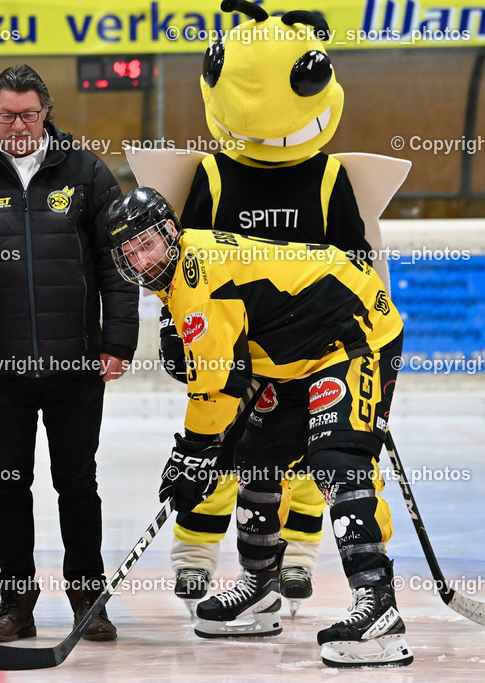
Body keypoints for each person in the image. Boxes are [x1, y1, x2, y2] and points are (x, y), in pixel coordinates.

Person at [148, 1, 394, 616]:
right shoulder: (214, 174)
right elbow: (185, 264)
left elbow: (357, 261)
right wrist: (178, 331)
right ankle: (211, 561)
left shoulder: (328, 176)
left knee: (324, 457)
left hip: (323, 345)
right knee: (239, 455)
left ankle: (316, 566)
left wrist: (368, 362)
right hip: (244, 348)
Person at [106, 187, 411, 668]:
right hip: (293, 354)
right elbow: (228, 369)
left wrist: (193, 451)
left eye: (148, 244)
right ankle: (260, 588)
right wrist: (197, 453)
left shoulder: (197, 277)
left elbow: (218, 382)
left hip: (353, 334)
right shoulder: (179, 281)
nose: (142, 260)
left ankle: (378, 604)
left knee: (337, 461)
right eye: (131, 253)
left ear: (170, 232)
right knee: (257, 458)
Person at [0, 64, 139, 643]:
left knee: (78, 484)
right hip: (4, 367)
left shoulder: (87, 171)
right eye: (6, 115)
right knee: (9, 486)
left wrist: (118, 340)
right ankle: (16, 604)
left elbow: (117, 260)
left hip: (76, 363)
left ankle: (87, 597)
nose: (17, 125)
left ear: (46, 113)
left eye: (28, 114)